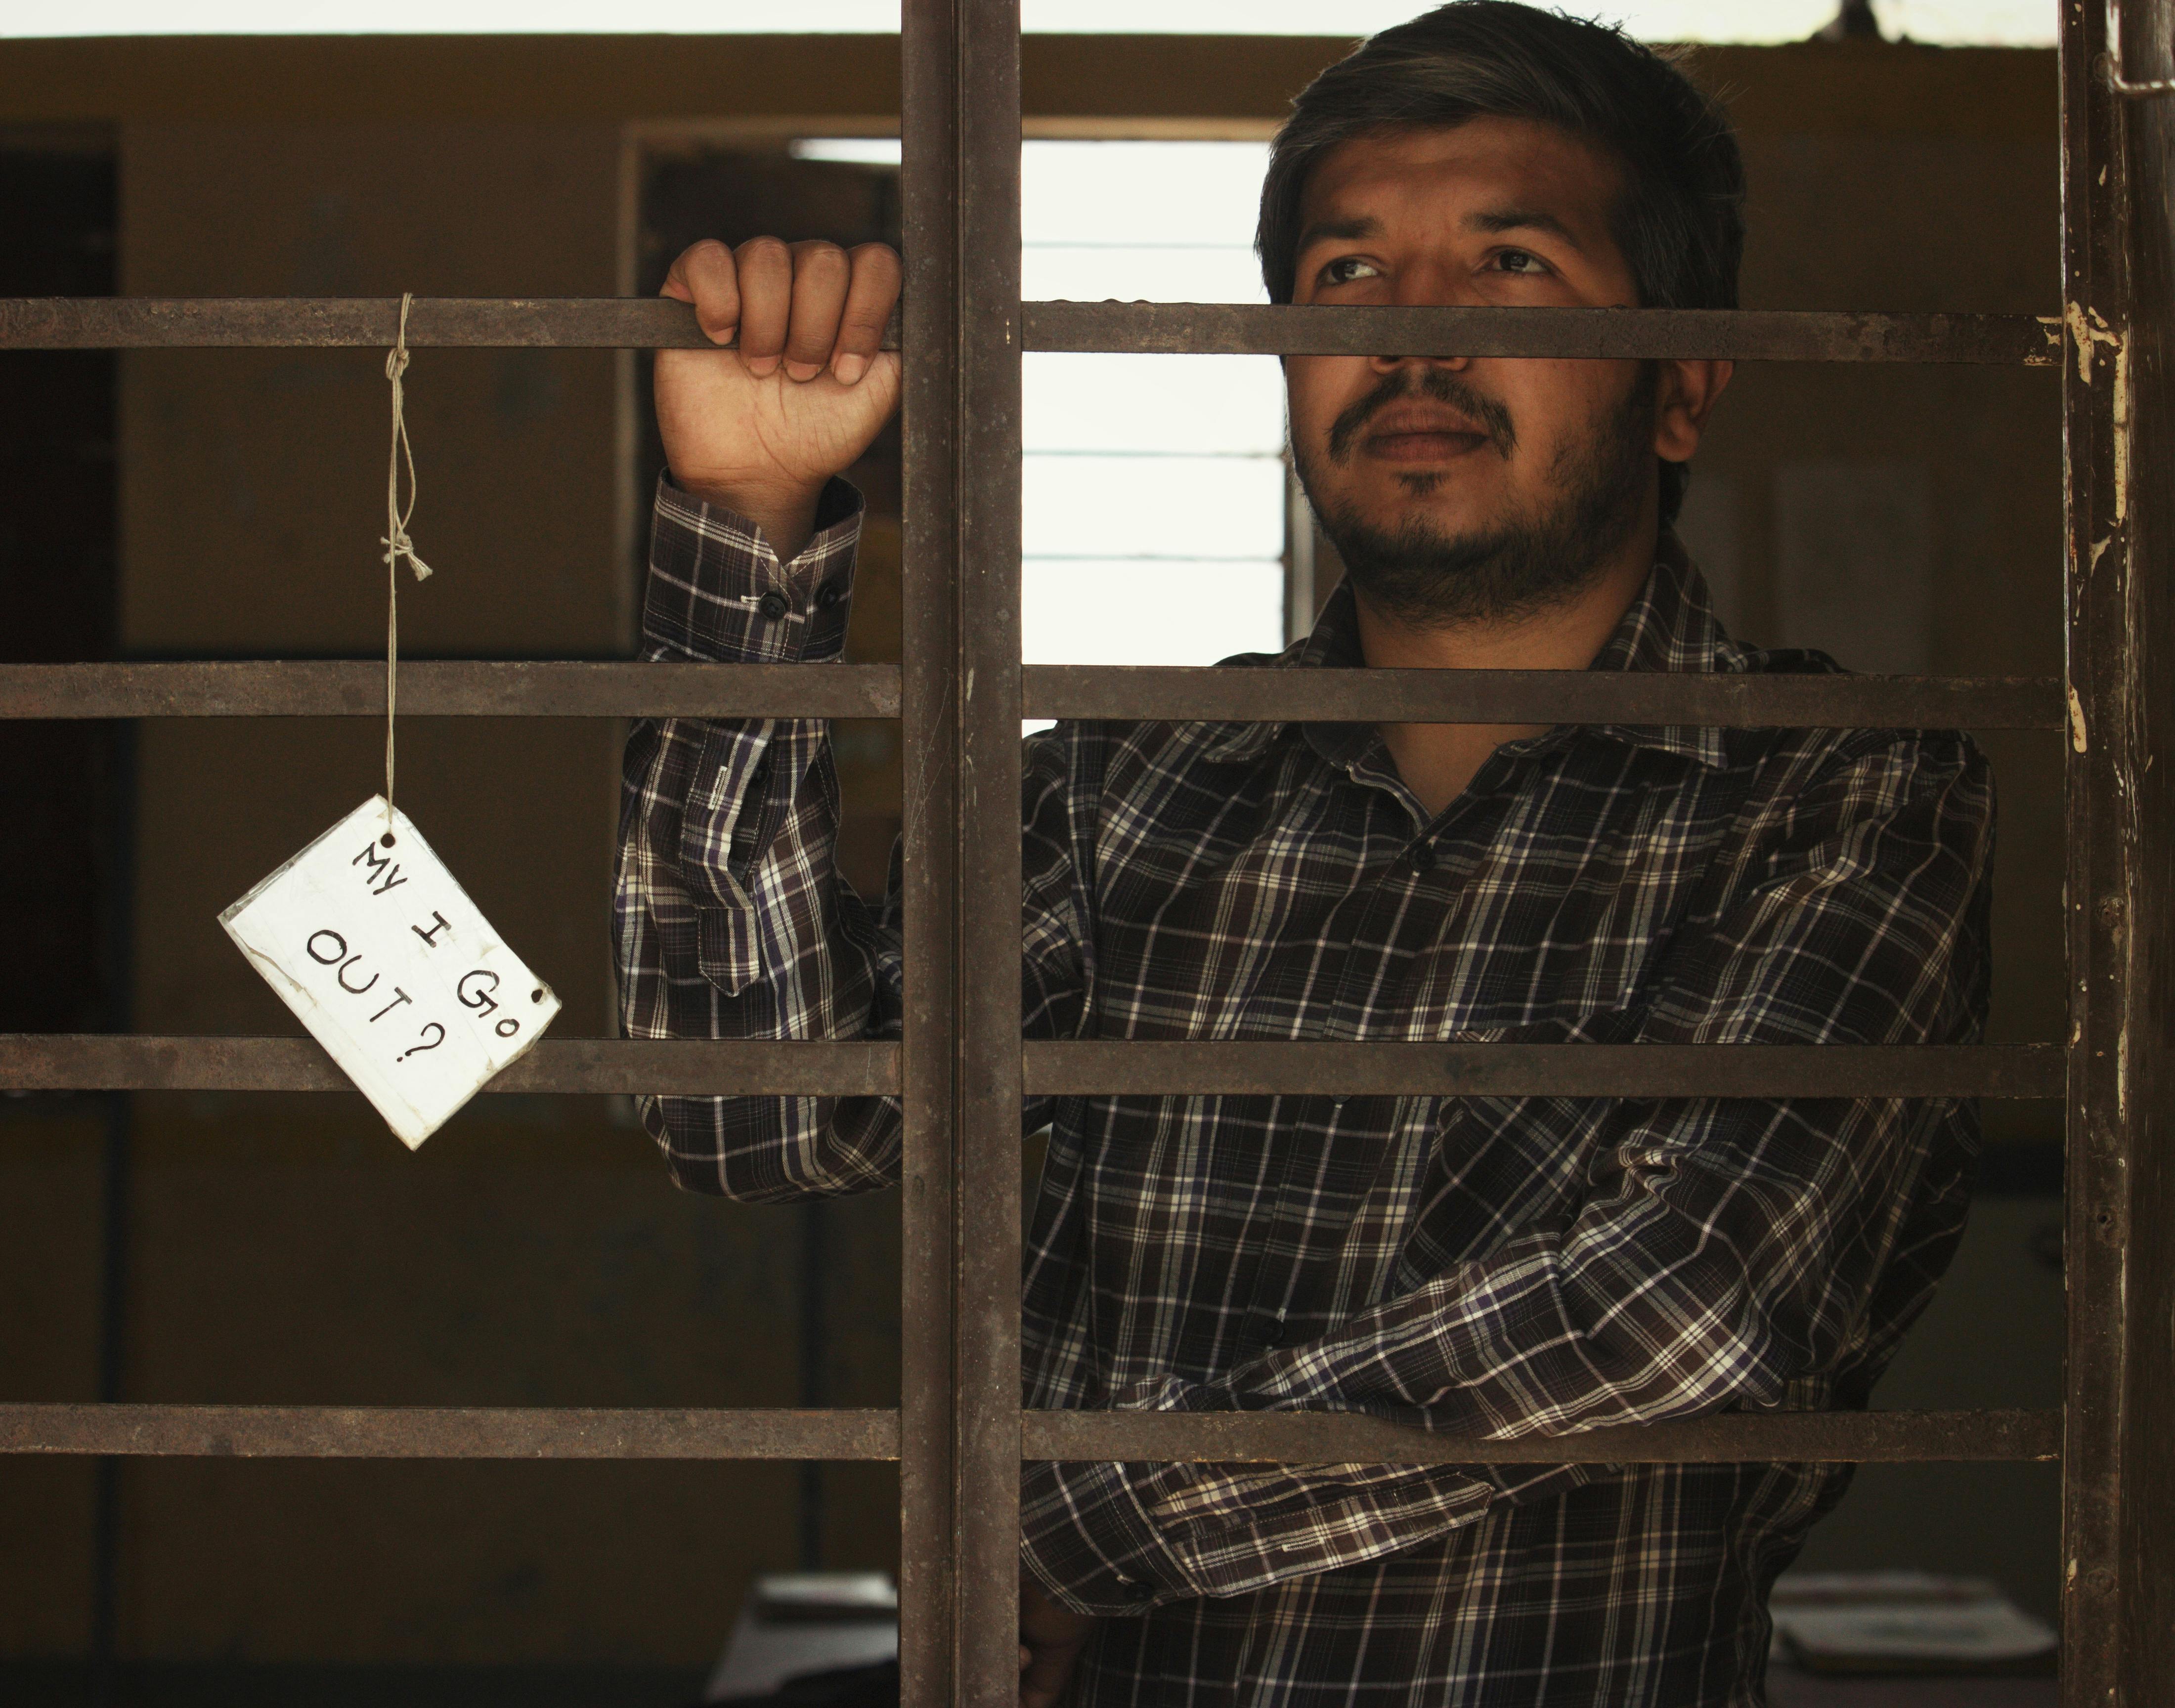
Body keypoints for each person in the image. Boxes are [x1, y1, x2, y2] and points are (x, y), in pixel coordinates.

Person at [614, 3, 1993, 1703]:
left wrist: (1080, 1517)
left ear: (1682, 385)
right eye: (1349, 276)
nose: (1414, 334)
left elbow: (1685, 1310)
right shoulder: (1141, 778)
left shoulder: (1844, 790)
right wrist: (747, 529)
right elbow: (751, 1110)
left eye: (1511, 266)